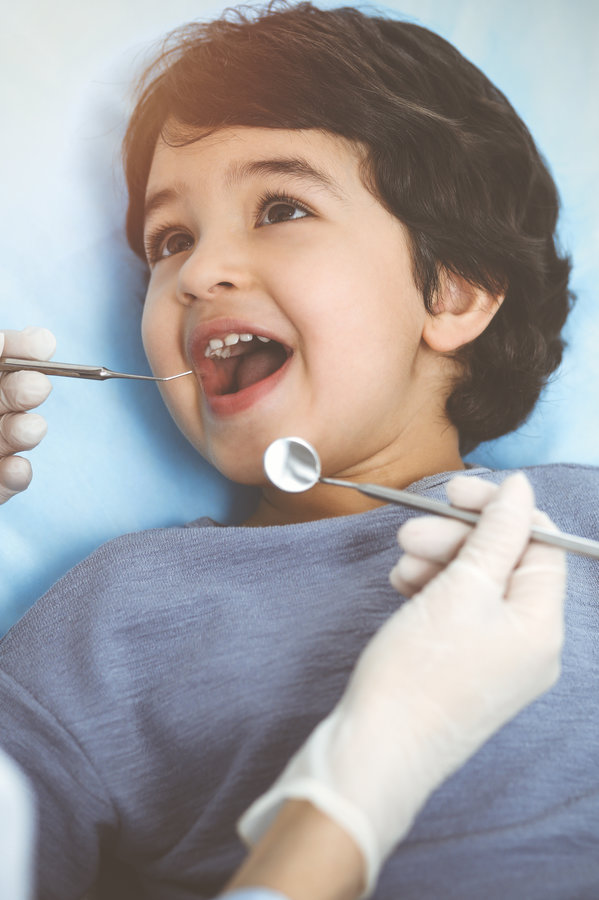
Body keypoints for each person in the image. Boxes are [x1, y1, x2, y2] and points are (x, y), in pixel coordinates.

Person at [0, 2, 597, 897]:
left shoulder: (581, 520)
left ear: (457, 293)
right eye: (170, 240)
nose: (198, 274)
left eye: (280, 207)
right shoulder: (108, 619)